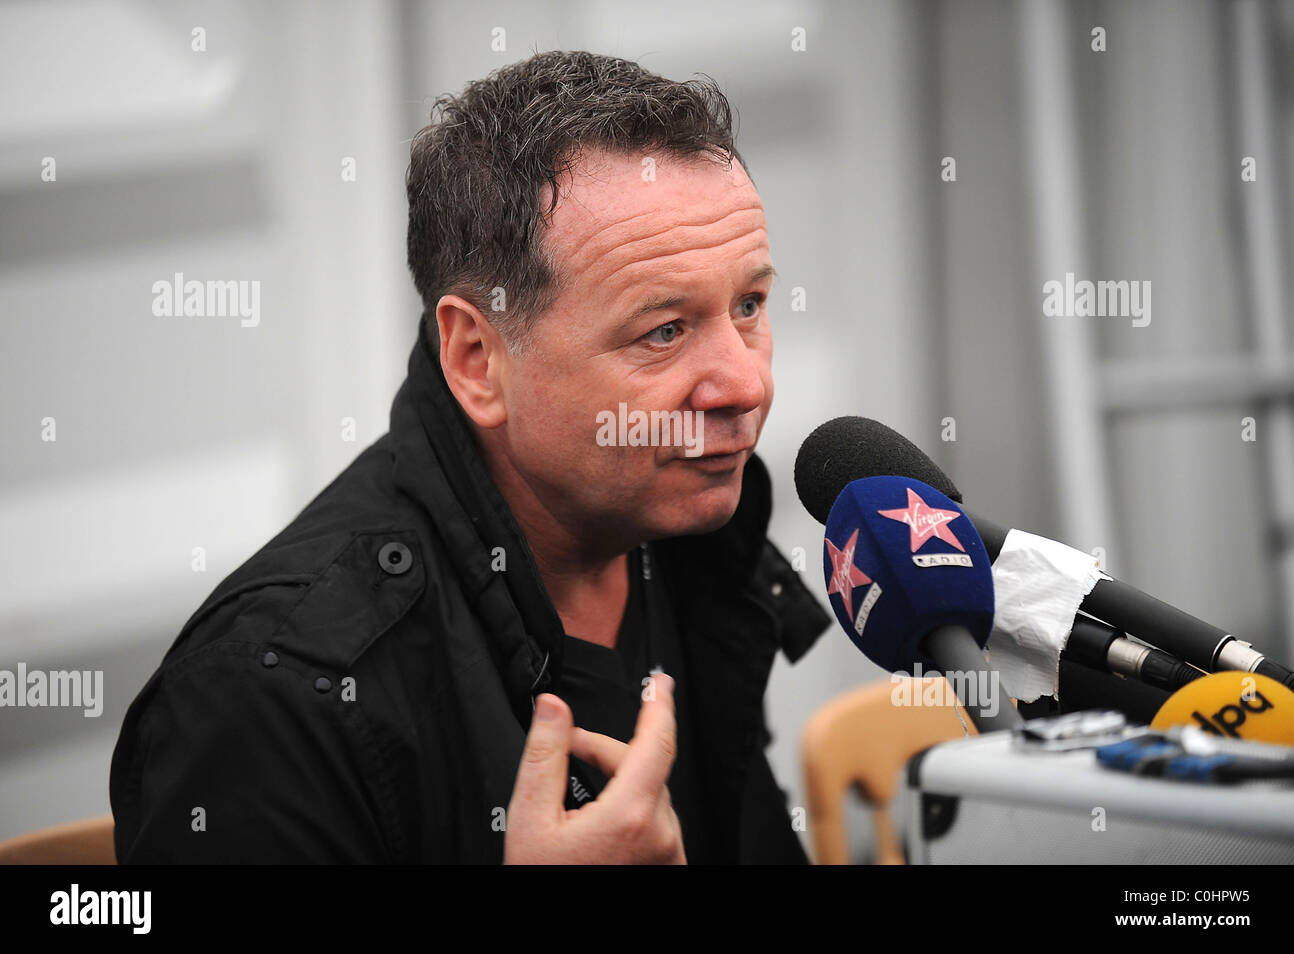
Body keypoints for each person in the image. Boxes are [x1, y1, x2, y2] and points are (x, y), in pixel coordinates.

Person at [110, 49, 829, 864]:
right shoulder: (268, 689)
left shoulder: (692, 538)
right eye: (662, 331)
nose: (746, 383)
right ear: (478, 359)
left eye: (750, 306)